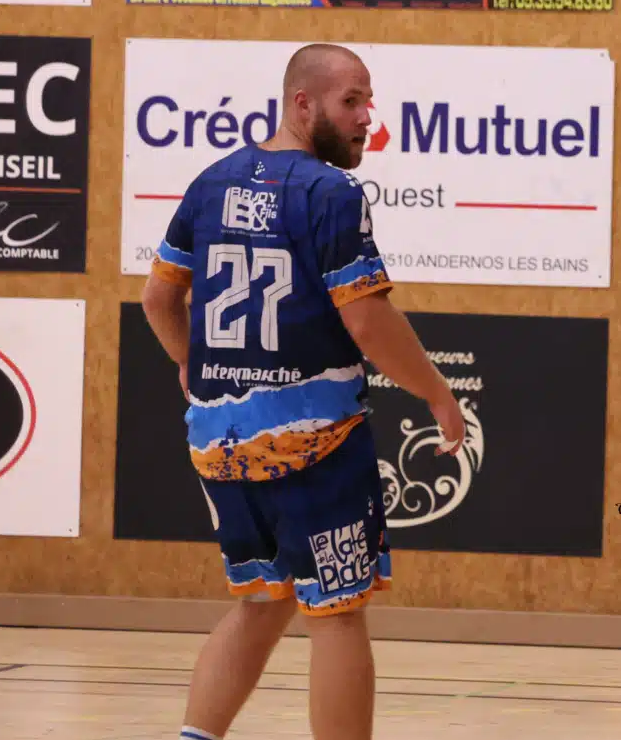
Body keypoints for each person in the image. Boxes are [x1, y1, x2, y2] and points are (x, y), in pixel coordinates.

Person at [139, 43, 465, 740]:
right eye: (351, 101)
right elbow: (367, 321)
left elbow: (157, 299)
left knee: (263, 601)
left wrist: (191, 363)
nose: (367, 117)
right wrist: (438, 393)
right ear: (302, 103)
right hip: (315, 442)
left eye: (368, 101)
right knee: (337, 613)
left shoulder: (211, 182)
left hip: (219, 443)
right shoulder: (330, 192)